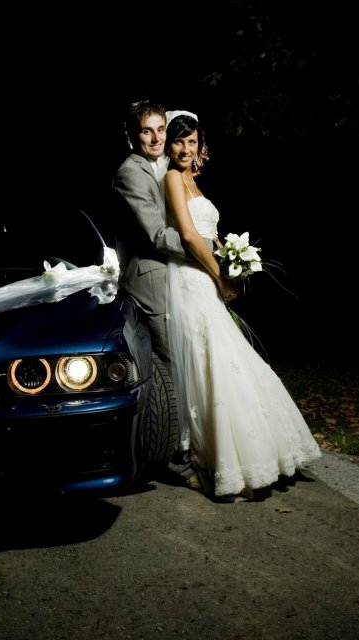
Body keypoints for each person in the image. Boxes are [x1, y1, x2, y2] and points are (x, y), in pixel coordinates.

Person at [162, 111, 322, 501]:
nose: (186, 149)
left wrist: (233, 260)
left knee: (229, 359)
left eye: (192, 141)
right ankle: (225, 460)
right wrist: (219, 275)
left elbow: (209, 234)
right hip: (190, 279)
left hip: (208, 274)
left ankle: (264, 452)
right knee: (215, 361)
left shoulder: (193, 180)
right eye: (179, 141)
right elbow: (188, 236)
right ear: (169, 145)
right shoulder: (172, 178)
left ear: (200, 145)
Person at [111, 100, 238, 488]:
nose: (155, 138)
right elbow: (156, 234)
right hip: (150, 277)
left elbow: (187, 186)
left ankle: (207, 446)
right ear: (132, 135)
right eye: (146, 131)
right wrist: (208, 250)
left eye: (160, 130)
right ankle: (180, 459)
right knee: (176, 364)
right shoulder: (130, 173)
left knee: (199, 359)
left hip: (181, 275)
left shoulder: (168, 162)